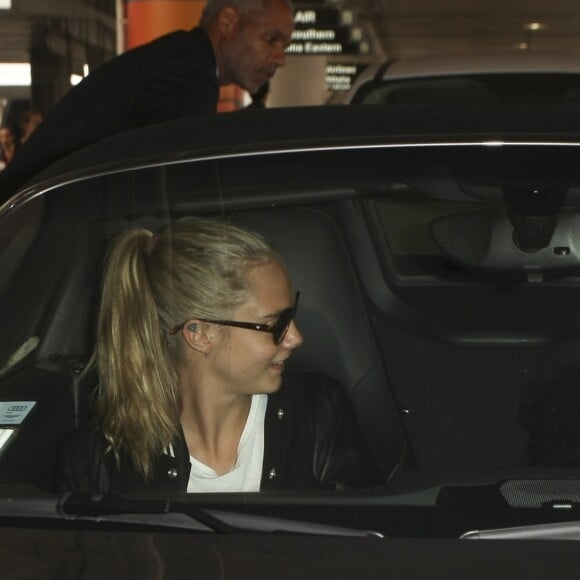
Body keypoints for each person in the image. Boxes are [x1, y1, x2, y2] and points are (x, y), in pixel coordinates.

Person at [55, 217, 381, 493]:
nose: (296, 337)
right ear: (200, 334)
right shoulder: (101, 457)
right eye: (275, 323)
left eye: (291, 315)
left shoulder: (319, 413)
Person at [0, 0, 294, 201]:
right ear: (228, 21)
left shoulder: (183, 57)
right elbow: (176, 193)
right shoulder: (189, 75)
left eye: (285, 46)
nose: (280, 59)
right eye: (271, 39)